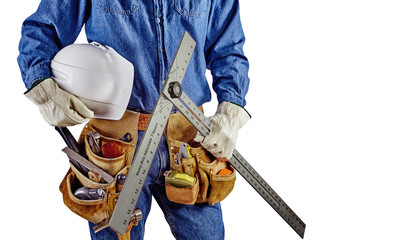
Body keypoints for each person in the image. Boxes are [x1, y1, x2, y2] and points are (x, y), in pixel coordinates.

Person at [18, 0, 251, 239]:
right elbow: (41, 31)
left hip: (189, 141)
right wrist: (44, 88)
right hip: (116, 147)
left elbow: (228, 48)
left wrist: (231, 108)